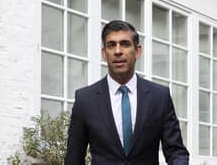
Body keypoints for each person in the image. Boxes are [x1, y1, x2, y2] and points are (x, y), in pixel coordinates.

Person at [65, 20, 189, 165]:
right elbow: (73, 158)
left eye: (125, 44)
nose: (118, 51)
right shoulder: (85, 100)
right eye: (111, 45)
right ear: (104, 53)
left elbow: (176, 152)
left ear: (137, 51)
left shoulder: (159, 97)